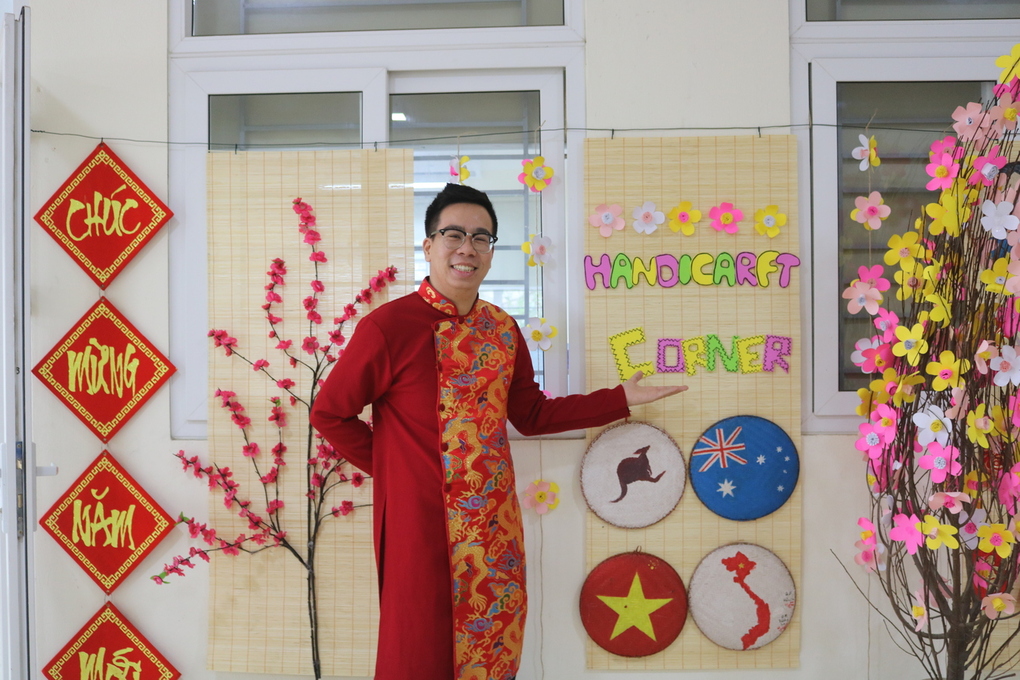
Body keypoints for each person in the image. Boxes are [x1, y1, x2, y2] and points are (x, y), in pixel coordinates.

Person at [310, 183, 685, 680]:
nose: (467, 247)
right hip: (419, 522)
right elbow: (329, 413)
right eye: (454, 234)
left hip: (493, 520)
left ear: (490, 251)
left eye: (481, 237)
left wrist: (618, 399)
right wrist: (400, 473)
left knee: (492, 641)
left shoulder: (502, 329)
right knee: (419, 647)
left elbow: (531, 414)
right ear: (429, 245)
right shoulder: (387, 327)